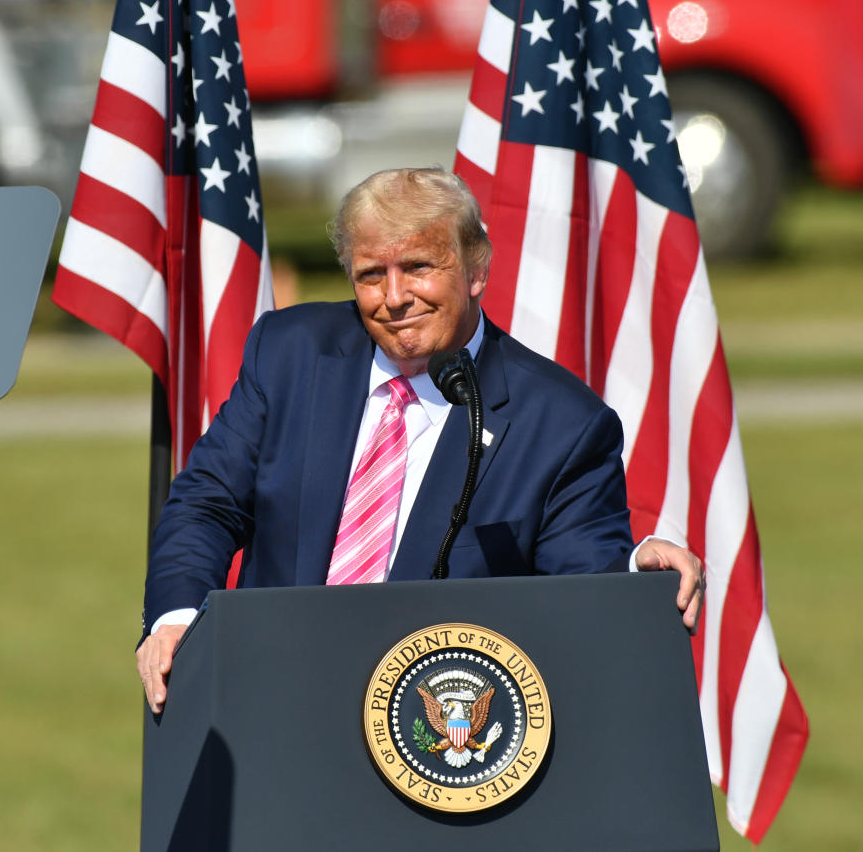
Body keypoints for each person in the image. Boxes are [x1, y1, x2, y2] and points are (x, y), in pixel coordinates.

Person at [137, 167, 704, 713]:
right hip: (273, 697)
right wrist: (178, 617)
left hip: (436, 734)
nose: (395, 296)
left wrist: (635, 576)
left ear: (476, 271)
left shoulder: (560, 424)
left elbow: (583, 578)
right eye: (370, 275)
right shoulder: (289, 353)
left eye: (418, 267)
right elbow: (206, 503)